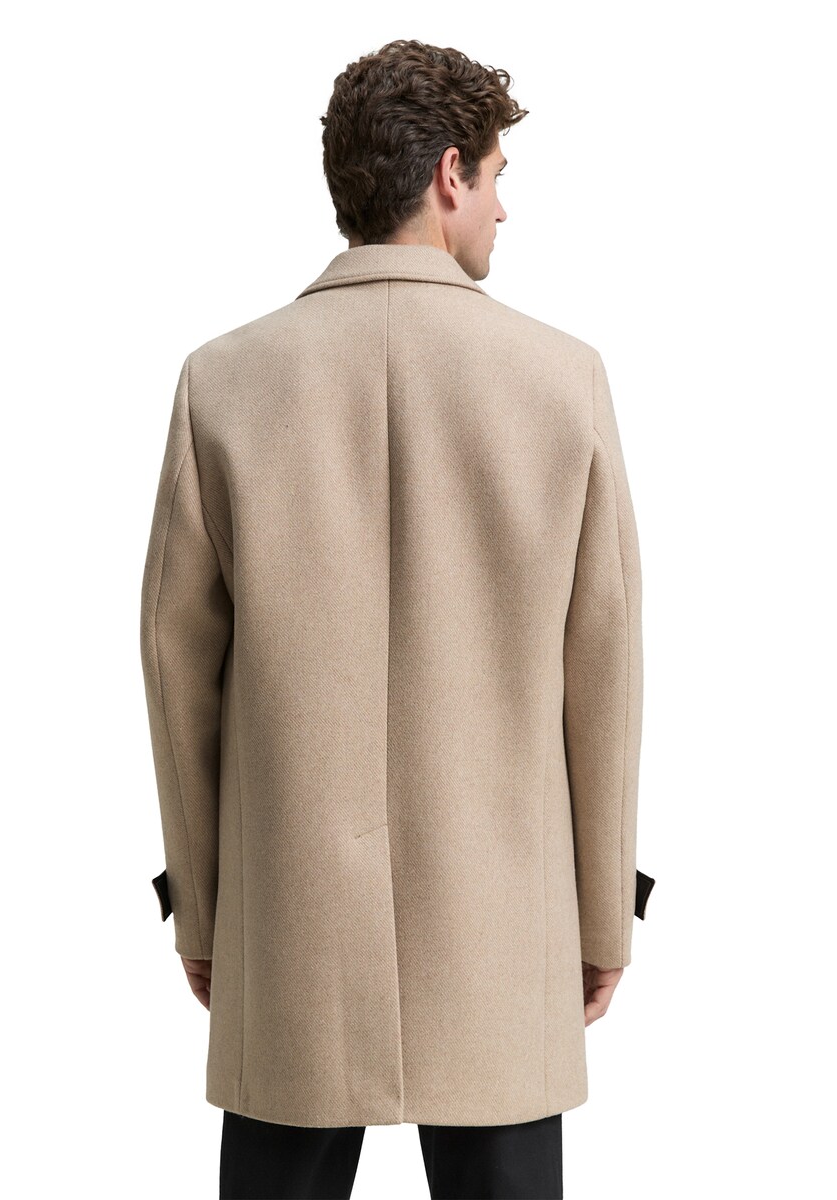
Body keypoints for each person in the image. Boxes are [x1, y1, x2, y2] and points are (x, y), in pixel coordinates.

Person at [140, 37, 655, 1200]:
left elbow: (177, 673)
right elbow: (605, 668)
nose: (505, 209)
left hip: (290, 936)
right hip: (502, 938)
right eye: (499, 175)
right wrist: (601, 920)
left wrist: (204, 915)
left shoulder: (223, 382)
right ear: (447, 174)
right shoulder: (561, 380)